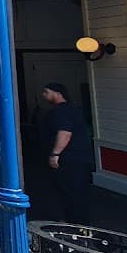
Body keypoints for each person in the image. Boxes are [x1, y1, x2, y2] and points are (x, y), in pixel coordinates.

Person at [42, 82, 94, 224]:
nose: (44, 95)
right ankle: (79, 224)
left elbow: (65, 133)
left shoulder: (61, 111)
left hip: (69, 159)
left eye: (47, 92)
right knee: (78, 192)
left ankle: (75, 223)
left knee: (70, 192)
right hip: (80, 159)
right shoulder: (74, 109)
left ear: (57, 93)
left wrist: (55, 154)